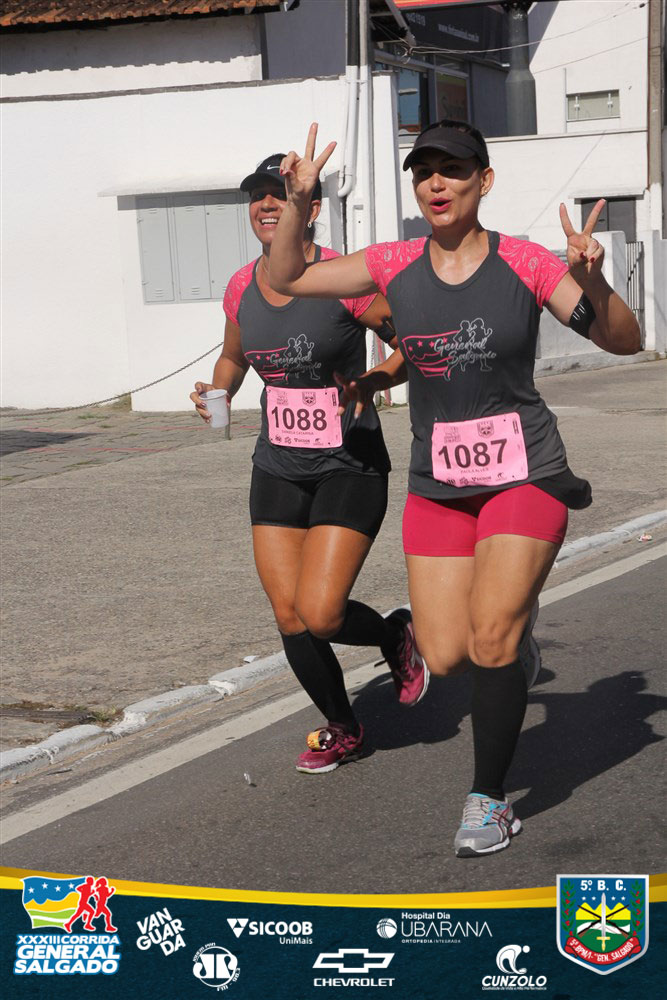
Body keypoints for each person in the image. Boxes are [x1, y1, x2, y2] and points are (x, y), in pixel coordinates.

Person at [268, 121, 641, 855]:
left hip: (524, 473)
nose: (436, 183)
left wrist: (594, 278)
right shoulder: (393, 262)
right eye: (424, 171)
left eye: (453, 169)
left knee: (490, 636)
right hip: (438, 484)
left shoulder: (525, 262)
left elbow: (623, 340)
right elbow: (288, 280)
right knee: (444, 655)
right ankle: (515, 645)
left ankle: (488, 801)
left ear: (484, 181)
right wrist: (300, 202)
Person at [191, 154, 427, 775]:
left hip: (349, 464)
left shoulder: (341, 280)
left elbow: (412, 343)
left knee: (322, 612)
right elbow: (233, 358)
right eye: (258, 196)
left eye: (280, 194)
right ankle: (343, 726)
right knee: (289, 614)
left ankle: (393, 634)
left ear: (311, 209)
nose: (267, 205)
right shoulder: (241, 288)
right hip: (278, 465)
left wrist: (374, 381)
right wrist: (217, 391)